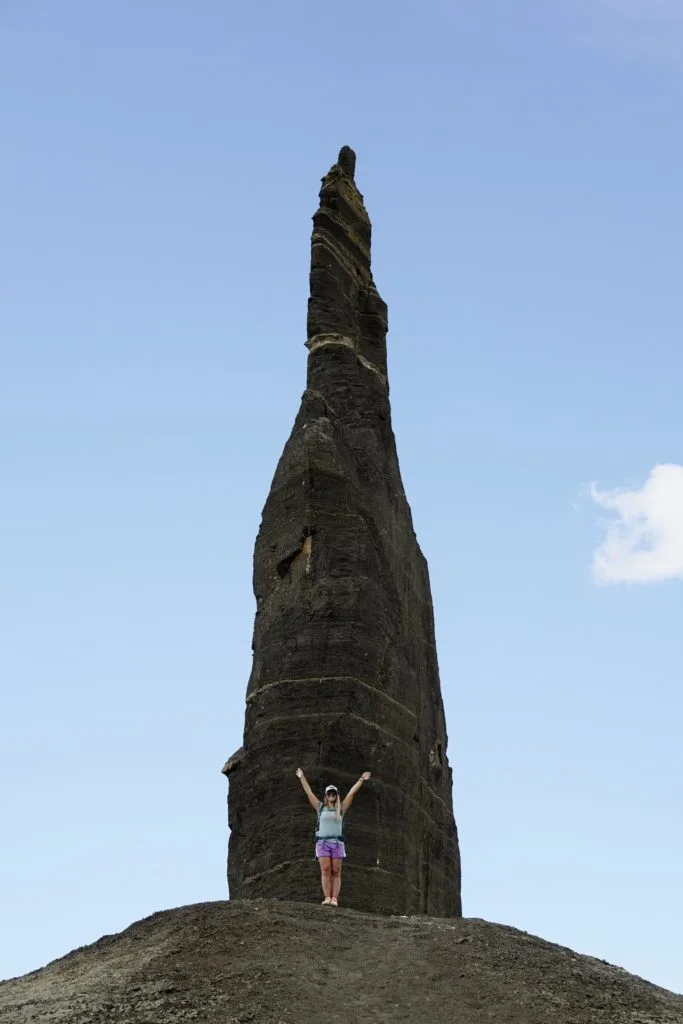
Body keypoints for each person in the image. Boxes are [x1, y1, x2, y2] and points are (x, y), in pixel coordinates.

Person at [296, 767, 371, 906]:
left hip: (337, 843)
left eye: (333, 793)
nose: (331, 795)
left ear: (336, 795)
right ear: (326, 796)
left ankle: (335, 898)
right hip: (322, 843)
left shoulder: (341, 809)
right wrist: (302, 777)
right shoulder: (320, 808)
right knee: (325, 870)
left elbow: (351, 793)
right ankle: (327, 898)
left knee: (336, 871)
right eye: (329, 793)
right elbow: (309, 792)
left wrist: (361, 779)